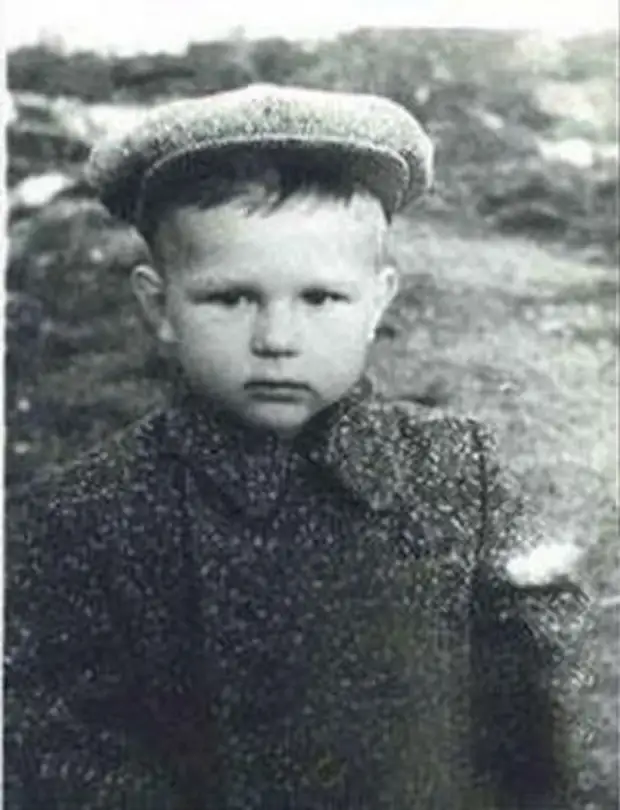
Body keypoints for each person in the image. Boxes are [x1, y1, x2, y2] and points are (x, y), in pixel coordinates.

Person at [3, 84, 603, 809]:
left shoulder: (457, 473)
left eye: (320, 298)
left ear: (377, 301)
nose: (277, 339)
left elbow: (539, 707)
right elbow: (59, 750)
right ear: (158, 306)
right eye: (231, 298)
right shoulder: (83, 517)